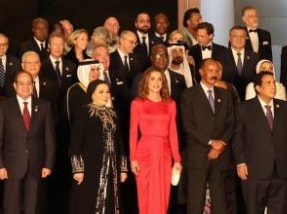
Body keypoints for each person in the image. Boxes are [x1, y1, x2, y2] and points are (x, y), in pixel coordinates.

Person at [233, 71, 287, 214]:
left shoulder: (286, 107)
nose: (272, 86)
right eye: (268, 83)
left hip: (281, 172)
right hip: (254, 172)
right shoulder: (244, 108)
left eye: (273, 83)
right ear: (258, 88)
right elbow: (237, 137)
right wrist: (240, 162)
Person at [0, 71, 54, 214]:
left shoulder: (44, 106)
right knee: (12, 207)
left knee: (33, 207)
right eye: (21, 84)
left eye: (28, 83)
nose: (25, 87)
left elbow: (49, 138)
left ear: (33, 85)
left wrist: (48, 164)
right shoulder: (3, 107)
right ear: (15, 85)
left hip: (36, 166)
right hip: (11, 166)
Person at [181, 58, 236, 214]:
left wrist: (221, 145)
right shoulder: (189, 94)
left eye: (216, 71)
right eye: (210, 70)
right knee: (195, 202)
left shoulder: (225, 94)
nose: (214, 74)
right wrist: (211, 142)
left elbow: (231, 123)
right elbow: (187, 125)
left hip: (220, 157)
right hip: (198, 155)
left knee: (219, 202)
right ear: (201, 72)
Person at [70, 80, 128, 214]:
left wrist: (123, 168)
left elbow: (119, 141)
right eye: (101, 92)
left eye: (107, 91)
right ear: (92, 94)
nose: (105, 95)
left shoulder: (113, 113)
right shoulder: (84, 112)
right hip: (91, 165)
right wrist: (78, 169)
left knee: (111, 199)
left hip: (112, 165)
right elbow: (76, 141)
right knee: (91, 197)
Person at [129, 68, 181, 214]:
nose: (156, 82)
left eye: (160, 79)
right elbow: (133, 132)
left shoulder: (170, 104)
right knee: (144, 195)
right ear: (146, 81)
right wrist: (133, 158)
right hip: (144, 152)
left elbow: (173, 132)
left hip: (164, 153)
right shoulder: (137, 103)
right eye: (152, 79)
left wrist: (177, 159)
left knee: (163, 194)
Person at [221, 25, 258, 98]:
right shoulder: (220, 56)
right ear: (230, 38)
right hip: (226, 98)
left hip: (249, 99)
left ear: (246, 38)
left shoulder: (255, 57)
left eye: (242, 36)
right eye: (235, 36)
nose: (239, 39)